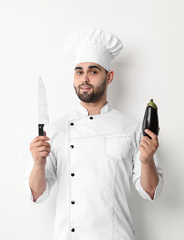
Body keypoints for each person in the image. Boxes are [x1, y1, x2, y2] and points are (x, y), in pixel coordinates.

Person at [23, 28, 163, 240]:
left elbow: (151, 192)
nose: (85, 78)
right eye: (79, 71)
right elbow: (36, 194)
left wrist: (146, 161)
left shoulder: (132, 129)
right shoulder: (55, 131)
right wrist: (38, 164)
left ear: (110, 76)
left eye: (93, 71)